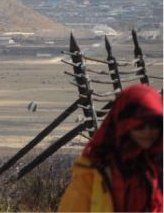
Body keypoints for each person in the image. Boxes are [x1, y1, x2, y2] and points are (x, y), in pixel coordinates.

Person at [58, 83, 162, 212]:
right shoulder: (95, 170)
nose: (148, 132)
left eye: (154, 124)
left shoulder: (155, 164)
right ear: (123, 125)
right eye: (138, 126)